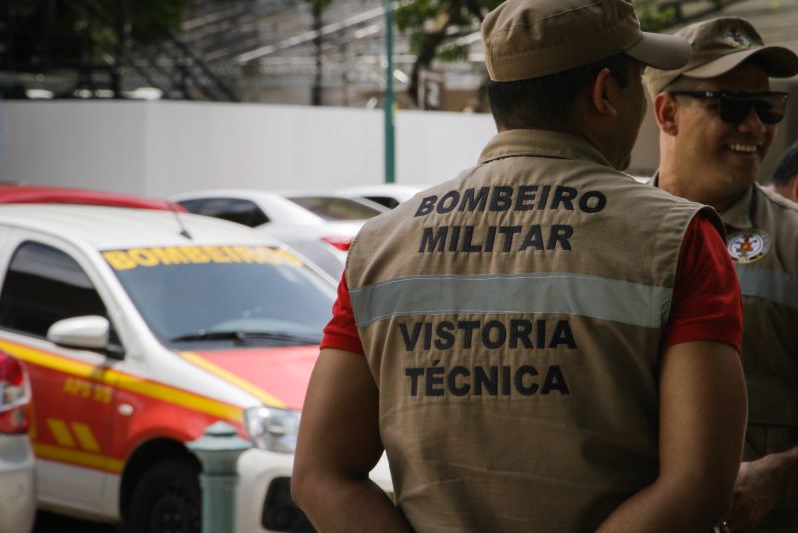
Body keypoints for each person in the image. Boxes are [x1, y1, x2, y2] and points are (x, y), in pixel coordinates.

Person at [292, 0, 748, 531]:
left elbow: (321, 476)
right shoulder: (679, 238)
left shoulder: (379, 244)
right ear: (604, 93)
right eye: (639, 80)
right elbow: (699, 486)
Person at [643, 16, 798, 533]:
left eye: (768, 106)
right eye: (730, 106)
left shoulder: (794, 242)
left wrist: (780, 473)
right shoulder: (606, 235)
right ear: (667, 113)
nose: (755, 127)